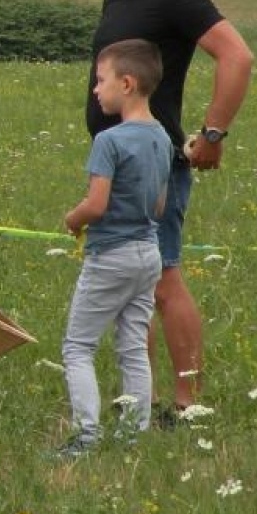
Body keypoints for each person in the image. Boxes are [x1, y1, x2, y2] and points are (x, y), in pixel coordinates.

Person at [88, 0, 254, 422]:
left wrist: (213, 133)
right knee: (132, 285)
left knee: (162, 280)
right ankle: (143, 400)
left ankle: (186, 405)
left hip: (153, 165)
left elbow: (237, 56)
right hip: (115, 163)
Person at [54, 39, 172, 459]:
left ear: (126, 83)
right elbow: (159, 204)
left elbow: (97, 204)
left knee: (78, 347)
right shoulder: (161, 137)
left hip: (111, 257)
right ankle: (133, 433)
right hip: (149, 253)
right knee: (133, 346)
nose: (95, 90)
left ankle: (86, 437)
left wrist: (73, 218)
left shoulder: (109, 141)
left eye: (100, 81)